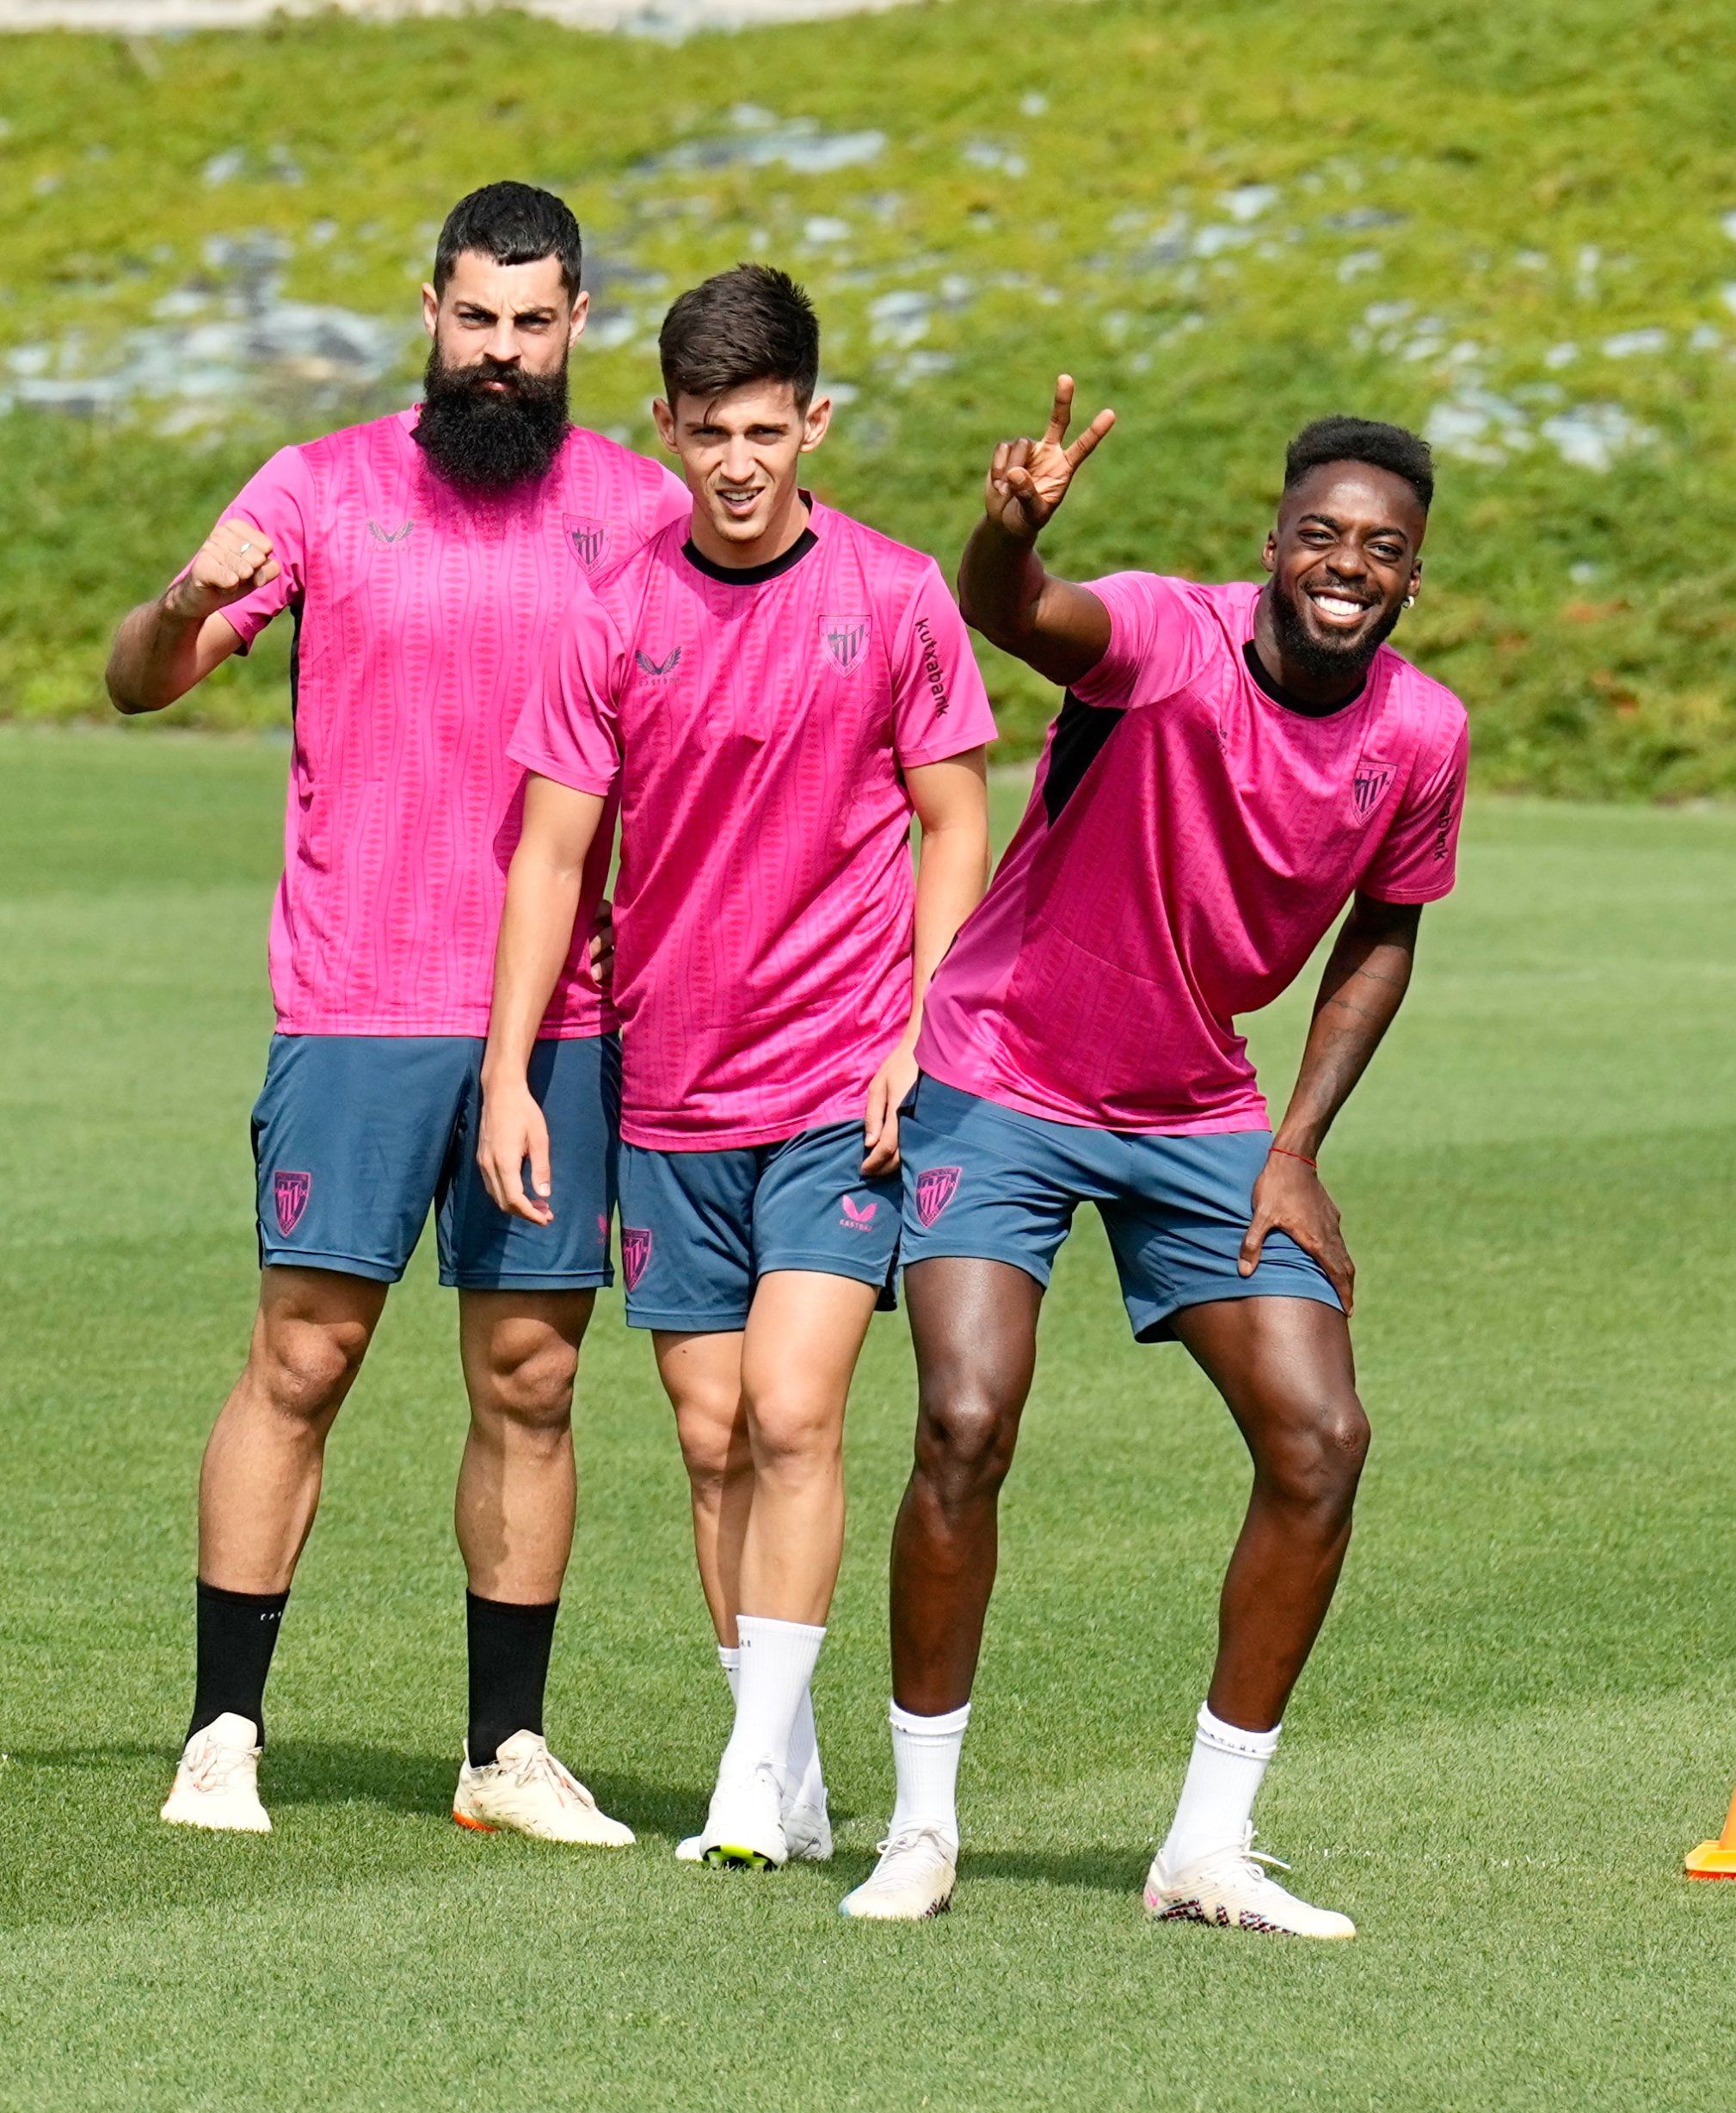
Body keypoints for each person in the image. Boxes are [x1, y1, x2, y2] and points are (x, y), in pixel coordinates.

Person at [830, 381, 1468, 1935]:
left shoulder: (1422, 733)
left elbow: (1387, 929)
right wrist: (1007, 528)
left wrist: (1298, 1146)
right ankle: (920, 1826)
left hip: (1199, 1109)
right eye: (1320, 533)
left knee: (1323, 1439)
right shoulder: (1163, 638)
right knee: (967, 1419)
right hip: (1003, 1069)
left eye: (1379, 547)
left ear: (1410, 576)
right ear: (1272, 542)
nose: (1346, 563)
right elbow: (1018, 611)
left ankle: (1208, 1846)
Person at [114, 182, 687, 1845]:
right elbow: (142, 681)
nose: (500, 354)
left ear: (577, 327)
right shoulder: (317, 491)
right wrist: (176, 598)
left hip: (565, 1022)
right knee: (303, 1355)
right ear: (426, 311)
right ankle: (223, 1730)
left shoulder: (646, 512)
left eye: (533, 324)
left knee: (531, 1378)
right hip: (359, 1003)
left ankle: (504, 1752)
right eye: (474, 319)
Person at [482, 265, 995, 1870]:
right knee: (709, 1436)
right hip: (669, 1093)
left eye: (768, 429)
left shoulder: (899, 594)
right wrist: (509, 1073)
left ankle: (742, 1780)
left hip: (842, 1080)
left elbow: (956, 817)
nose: (738, 462)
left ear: (815, 422)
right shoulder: (614, 609)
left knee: (790, 1407)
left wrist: (925, 1025)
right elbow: (553, 860)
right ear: (666, 428)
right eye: (709, 431)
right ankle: (786, 1757)